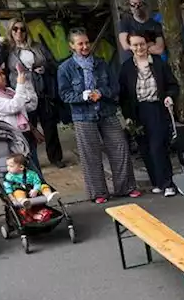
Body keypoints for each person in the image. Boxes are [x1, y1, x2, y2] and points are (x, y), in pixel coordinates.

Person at [57, 29, 138, 203]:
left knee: (119, 147)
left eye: (87, 42)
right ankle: (99, 193)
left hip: (106, 111)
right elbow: (64, 95)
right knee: (90, 155)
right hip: (83, 115)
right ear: (72, 46)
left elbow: (115, 87)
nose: (85, 46)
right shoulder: (65, 68)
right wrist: (84, 96)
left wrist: (101, 92)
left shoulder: (101, 63)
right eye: (80, 44)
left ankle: (126, 187)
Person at [0, 17, 65, 167]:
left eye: (22, 29)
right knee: (26, 128)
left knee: (50, 126)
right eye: (15, 29)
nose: (19, 32)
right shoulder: (8, 50)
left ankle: (56, 158)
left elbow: (52, 63)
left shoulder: (37, 46)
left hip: (42, 92)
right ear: (11, 31)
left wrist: (45, 69)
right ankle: (30, 160)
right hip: (22, 95)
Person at [119, 31, 179, 197]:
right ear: (130, 47)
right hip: (137, 111)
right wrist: (128, 116)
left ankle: (168, 183)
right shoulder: (126, 68)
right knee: (144, 148)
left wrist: (169, 96)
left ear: (147, 45)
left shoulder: (159, 63)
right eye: (135, 45)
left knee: (158, 147)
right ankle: (157, 182)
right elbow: (123, 95)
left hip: (156, 109)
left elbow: (172, 85)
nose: (139, 48)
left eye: (142, 44)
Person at [0, 59, 41, 174]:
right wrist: (20, 84)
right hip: (13, 139)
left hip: (25, 134)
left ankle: (41, 190)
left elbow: (28, 106)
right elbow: (14, 106)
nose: (3, 76)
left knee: (35, 170)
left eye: (2, 73)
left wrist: (26, 83)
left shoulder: (8, 92)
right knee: (25, 171)